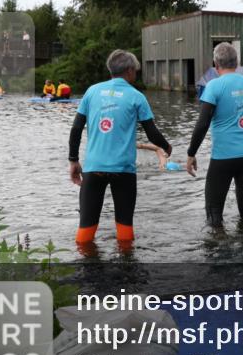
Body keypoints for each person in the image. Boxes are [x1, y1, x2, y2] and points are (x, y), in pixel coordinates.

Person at [68, 49, 172, 245]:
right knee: (124, 228)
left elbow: (76, 129)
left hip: (93, 168)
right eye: (136, 71)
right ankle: (126, 268)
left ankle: (86, 268)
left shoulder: (92, 91)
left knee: (86, 229)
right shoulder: (137, 96)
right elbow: (152, 133)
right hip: (123, 170)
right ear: (130, 71)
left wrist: (73, 160)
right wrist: (166, 147)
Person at [186, 43, 243, 227]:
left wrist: (191, 153)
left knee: (214, 214)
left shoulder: (213, 87)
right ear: (236, 63)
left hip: (222, 158)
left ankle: (218, 249)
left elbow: (202, 124)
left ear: (216, 65)